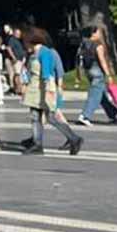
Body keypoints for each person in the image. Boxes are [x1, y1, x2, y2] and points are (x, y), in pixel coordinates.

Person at [20, 26, 83, 156]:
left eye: (25, 42)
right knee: (35, 117)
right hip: (34, 89)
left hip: (43, 88)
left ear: (31, 40)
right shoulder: (33, 54)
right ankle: (37, 143)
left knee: (51, 118)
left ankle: (74, 138)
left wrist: (49, 92)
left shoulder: (45, 53)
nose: (24, 45)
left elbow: (47, 74)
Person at [75, 24, 117, 127]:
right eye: (99, 32)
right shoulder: (98, 45)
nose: (100, 34)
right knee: (94, 96)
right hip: (97, 72)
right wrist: (109, 75)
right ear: (93, 33)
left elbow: (78, 59)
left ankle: (112, 113)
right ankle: (85, 116)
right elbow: (102, 61)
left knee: (101, 95)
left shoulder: (83, 44)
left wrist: (78, 73)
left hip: (88, 71)